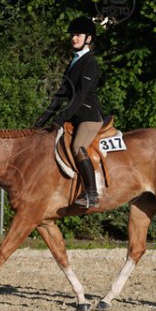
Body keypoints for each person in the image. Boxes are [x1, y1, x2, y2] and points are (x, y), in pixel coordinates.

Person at [34, 16, 105, 208]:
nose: (74, 38)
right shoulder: (73, 61)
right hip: (74, 116)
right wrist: (42, 119)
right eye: (72, 35)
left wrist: (61, 117)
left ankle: (92, 194)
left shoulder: (90, 63)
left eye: (78, 35)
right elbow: (61, 94)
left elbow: (80, 95)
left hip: (89, 117)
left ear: (88, 38)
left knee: (77, 146)